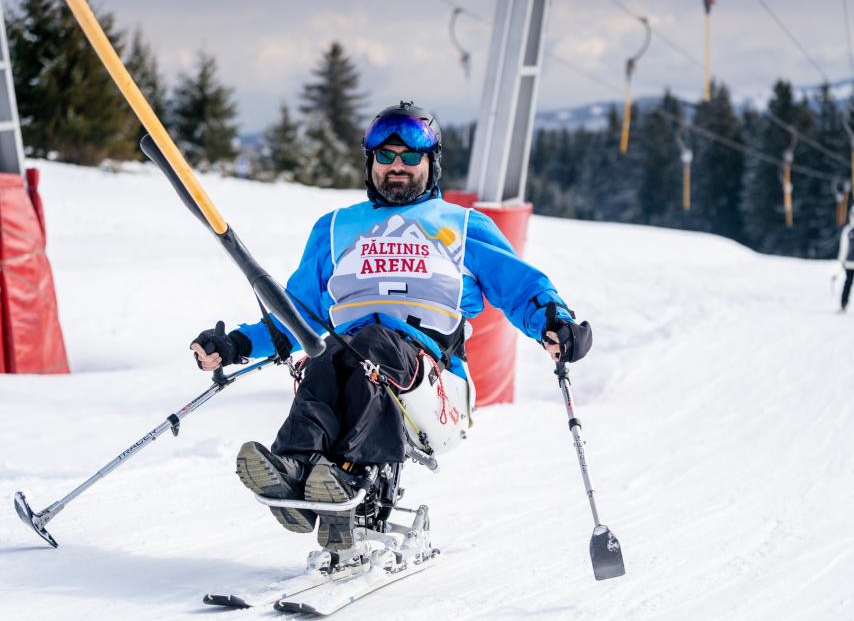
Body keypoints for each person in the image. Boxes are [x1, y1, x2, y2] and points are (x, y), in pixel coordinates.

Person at [189, 102, 592, 549]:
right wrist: (236, 344)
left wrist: (554, 321)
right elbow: (296, 313)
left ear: (430, 162)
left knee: (369, 344)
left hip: (432, 380)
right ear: (371, 163)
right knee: (324, 355)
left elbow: (519, 285)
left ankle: (348, 476)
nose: (396, 166)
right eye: (385, 156)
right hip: (352, 353)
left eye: (409, 157)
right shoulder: (335, 228)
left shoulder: (461, 225)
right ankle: (296, 472)